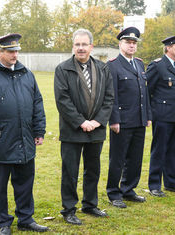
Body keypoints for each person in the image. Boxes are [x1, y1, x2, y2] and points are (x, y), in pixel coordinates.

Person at [0, 33, 48, 235]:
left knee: (25, 183)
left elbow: (37, 103)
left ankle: (26, 219)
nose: (14, 55)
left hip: (25, 139)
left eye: (16, 51)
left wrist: (39, 130)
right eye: (10, 51)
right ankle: (3, 222)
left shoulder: (27, 74)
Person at [54, 29, 114, 225]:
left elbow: (109, 98)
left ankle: (90, 204)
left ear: (91, 46)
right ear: (73, 46)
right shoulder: (63, 69)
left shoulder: (103, 68)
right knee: (70, 172)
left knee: (93, 169)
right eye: (77, 44)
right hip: (72, 130)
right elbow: (62, 100)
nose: (80, 48)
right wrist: (81, 122)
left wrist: (97, 121)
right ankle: (69, 209)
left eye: (84, 44)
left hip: (96, 130)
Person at [106, 27, 152, 208]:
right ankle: (113, 192)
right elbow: (112, 95)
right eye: (128, 42)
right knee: (118, 159)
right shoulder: (113, 65)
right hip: (122, 121)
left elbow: (144, 92)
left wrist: (148, 115)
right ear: (120, 44)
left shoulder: (139, 64)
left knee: (135, 157)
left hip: (139, 119)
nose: (132, 46)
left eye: (134, 43)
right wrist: (114, 120)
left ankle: (129, 189)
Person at [146, 34, 175, 197]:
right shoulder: (157, 66)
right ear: (169, 47)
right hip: (162, 115)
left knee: (174, 149)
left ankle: (171, 182)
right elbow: (147, 91)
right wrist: (149, 114)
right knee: (159, 149)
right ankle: (155, 184)